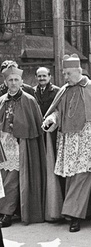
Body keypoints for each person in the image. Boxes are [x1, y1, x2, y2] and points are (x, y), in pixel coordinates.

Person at [42, 54, 91, 232]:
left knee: (82, 177)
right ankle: (83, 212)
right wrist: (51, 119)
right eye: (64, 74)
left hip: (88, 139)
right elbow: (58, 112)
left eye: (68, 74)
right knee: (72, 177)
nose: (65, 77)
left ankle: (73, 215)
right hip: (68, 140)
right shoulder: (64, 90)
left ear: (79, 71)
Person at [0, 66, 46, 227]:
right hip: (5, 145)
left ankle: (7, 213)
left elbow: (35, 125)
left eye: (16, 80)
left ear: (21, 81)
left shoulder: (29, 100)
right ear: (5, 82)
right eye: (10, 80)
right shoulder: (1, 100)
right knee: (5, 179)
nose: (13, 83)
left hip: (23, 145)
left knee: (16, 179)